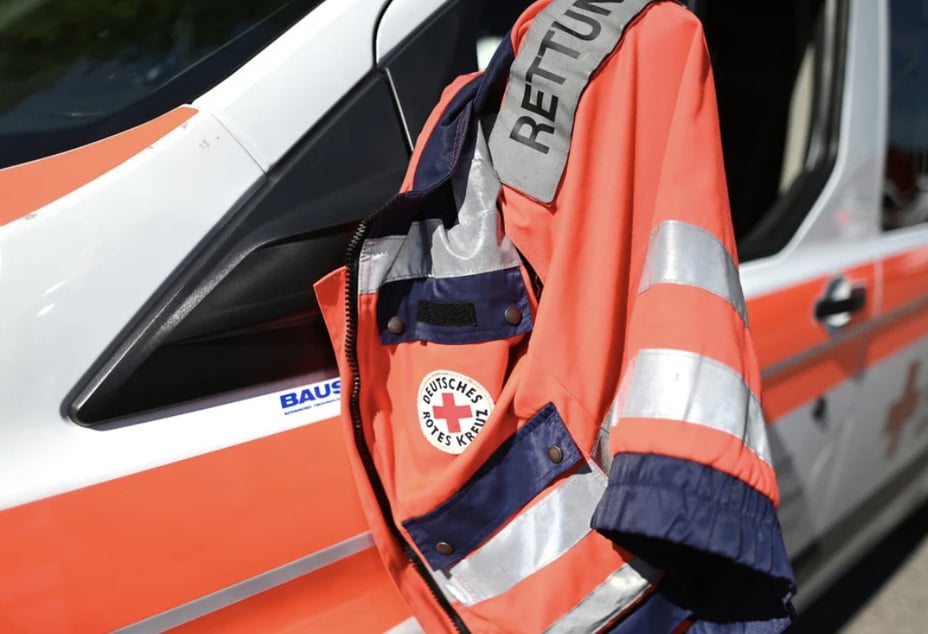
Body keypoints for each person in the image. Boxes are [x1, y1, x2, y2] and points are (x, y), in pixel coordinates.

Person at [314, 0, 796, 631]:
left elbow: (661, 279)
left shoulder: (624, 46)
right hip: (596, 553)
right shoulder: (619, 46)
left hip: (579, 567)